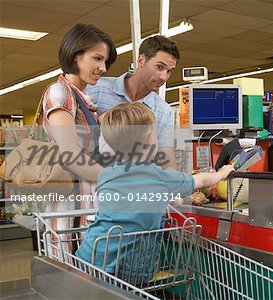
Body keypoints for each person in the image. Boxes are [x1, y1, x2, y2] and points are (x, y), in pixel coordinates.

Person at [75, 102, 234, 281]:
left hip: (91, 256)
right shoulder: (159, 176)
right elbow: (203, 180)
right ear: (149, 140)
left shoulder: (105, 175)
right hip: (129, 269)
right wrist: (222, 172)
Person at [42, 23, 116, 218]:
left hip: (87, 205)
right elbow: (70, 154)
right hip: (71, 212)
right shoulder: (59, 92)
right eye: (97, 59)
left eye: (105, 61)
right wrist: (117, 181)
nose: (103, 68)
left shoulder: (81, 98)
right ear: (76, 56)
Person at [87, 35, 180, 170]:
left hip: (135, 185)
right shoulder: (96, 90)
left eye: (169, 71)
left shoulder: (163, 111)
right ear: (141, 60)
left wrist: (178, 185)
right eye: (159, 67)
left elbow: (166, 159)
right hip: (90, 183)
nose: (163, 77)